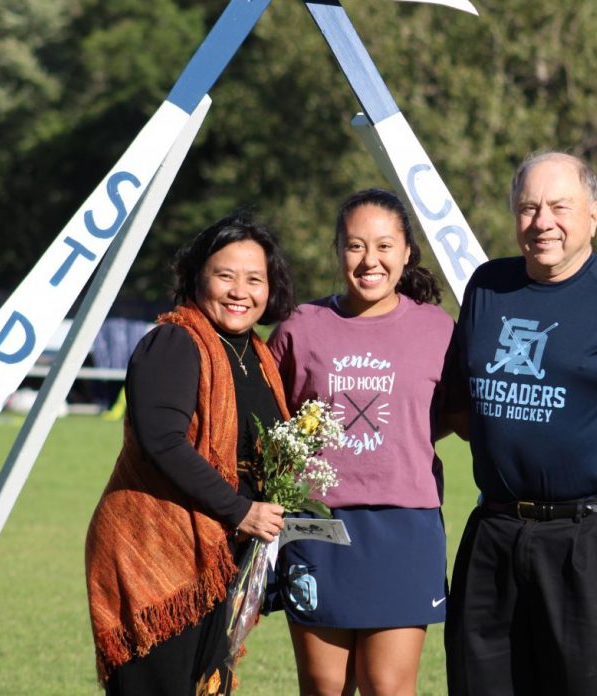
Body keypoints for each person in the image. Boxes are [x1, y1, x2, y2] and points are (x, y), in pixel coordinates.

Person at [443, 151, 597, 695]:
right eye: (529, 208)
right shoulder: (486, 287)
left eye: (560, 206)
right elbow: (458, 403)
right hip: (495, 534)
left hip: (592, 542)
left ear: (594, 214)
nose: (543, 223)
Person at [85, 211, 296, 695]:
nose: (240, 291)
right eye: (225, 276)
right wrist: (241, 510)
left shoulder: (256, 355)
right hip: (157, 554)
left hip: (220, 554)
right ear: (197, 276)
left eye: (254, 279)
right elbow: (163, 441)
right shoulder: (175, 342)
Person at [267, 189, 454, 695]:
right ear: (338, 250)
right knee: (325, 687)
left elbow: (451, 415)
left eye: (384, 245)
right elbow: (264, 419)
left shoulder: (438, 330)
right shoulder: (302, 326)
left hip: (405, 528)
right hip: (316, 526)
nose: (370, 260)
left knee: (386, 687)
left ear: (407, 252)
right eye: (355, 246)